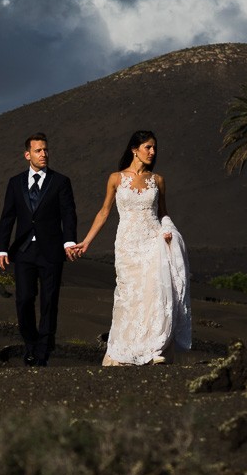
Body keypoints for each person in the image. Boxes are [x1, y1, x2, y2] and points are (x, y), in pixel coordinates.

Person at [70, 131, 191, 365]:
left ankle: (157, 349)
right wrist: (86, 241)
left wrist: (169, 232)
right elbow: (104, 212)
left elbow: (163, 213)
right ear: (134, 149)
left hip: (153, 241)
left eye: (155, 148)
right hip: (127, 244)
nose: (153, 152)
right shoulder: (116, 178)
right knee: (129, 296)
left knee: (154, 293)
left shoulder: (158, 180)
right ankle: (126, 352)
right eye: (148, 147)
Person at [0, 132, 79, 367]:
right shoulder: (15, 182)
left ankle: (42, 350)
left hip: (52, 250)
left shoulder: (61, 181)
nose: (44, 154)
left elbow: (68, 213)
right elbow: (7, 217)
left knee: (49, 301)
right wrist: (2, 249)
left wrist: (69, 242)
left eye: (46, 150)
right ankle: (30, 344)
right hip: (23, 251)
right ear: (27, 155)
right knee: (23, 299)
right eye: (38, 151)